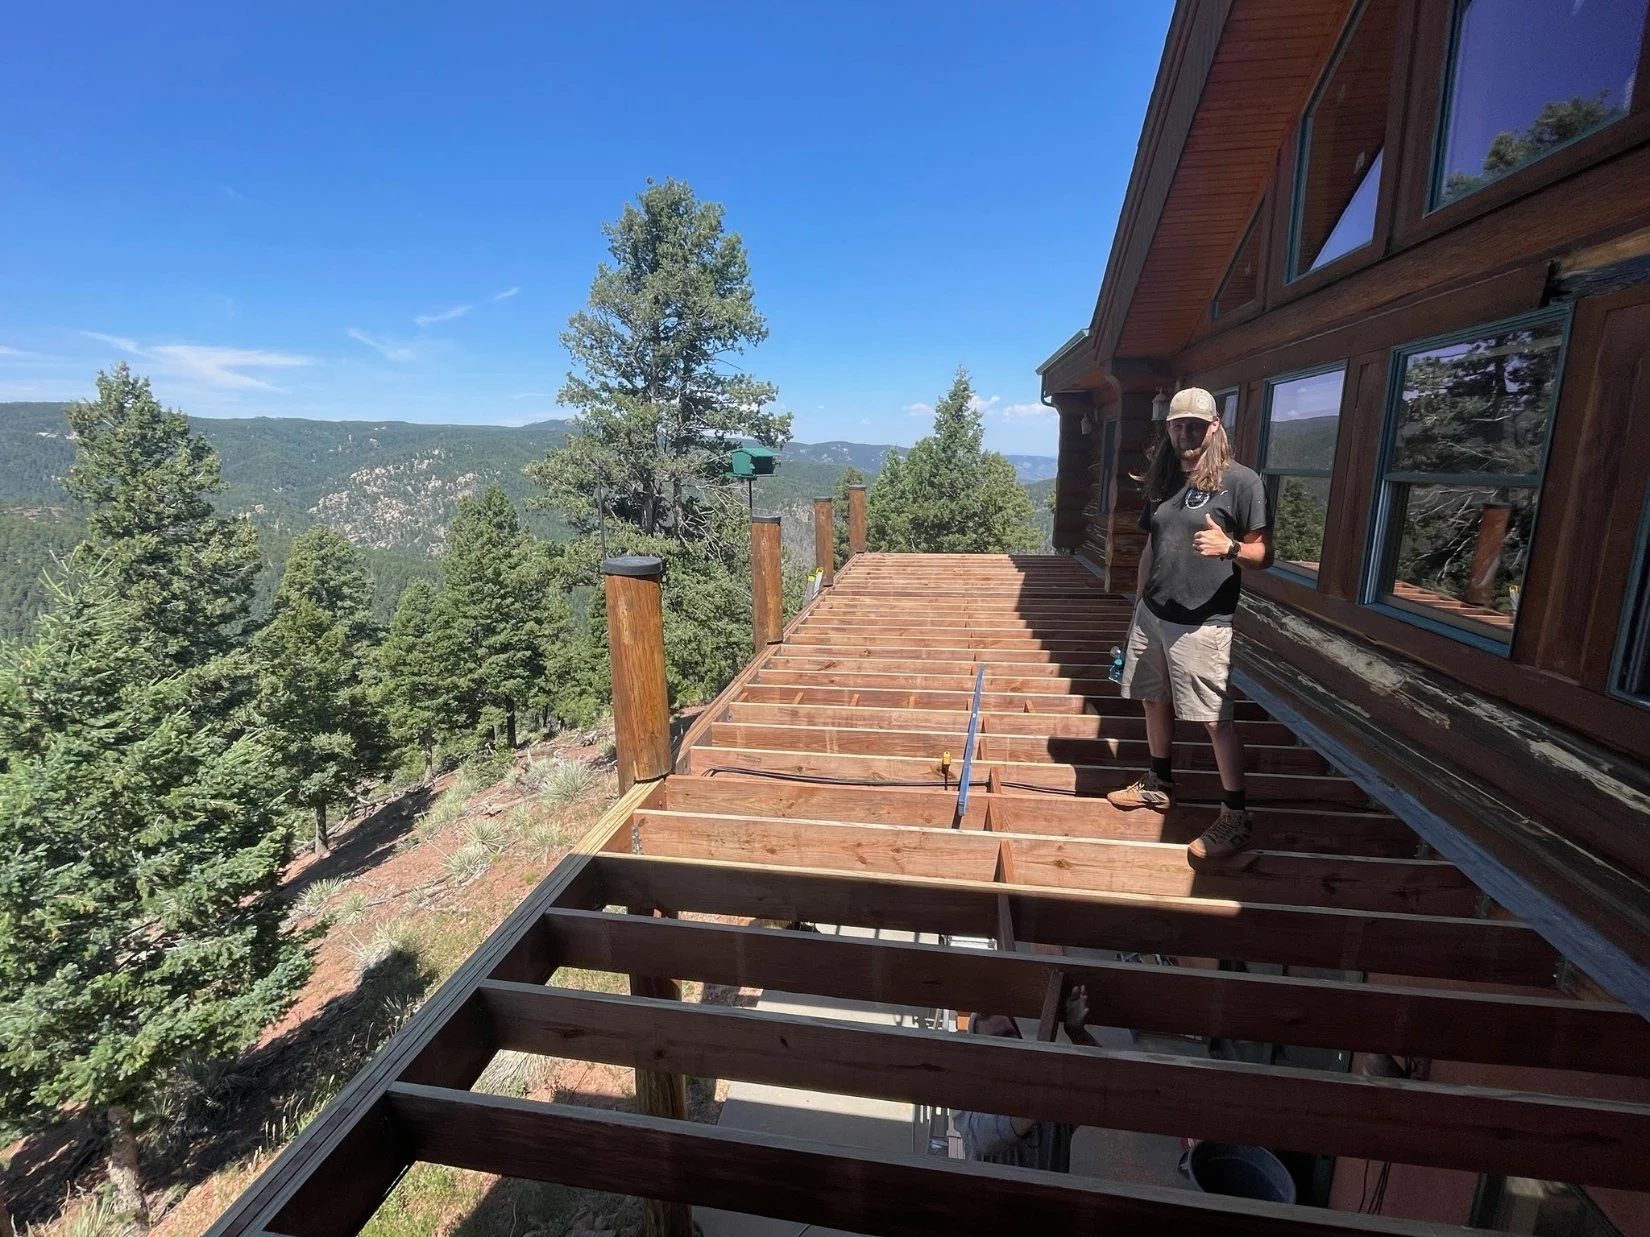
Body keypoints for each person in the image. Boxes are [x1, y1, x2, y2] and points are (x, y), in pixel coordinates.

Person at [1106, 387, 1273, 860]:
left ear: (1215, 426)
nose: (1186, 432)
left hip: (1203, 623)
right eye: (1178, 425)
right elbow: (1150, 548)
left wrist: (1232, 549)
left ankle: (1236, 816)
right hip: (1153, 615)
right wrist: (1137, 609)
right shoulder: (1164, 479)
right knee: (1152, 699)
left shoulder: (1241, 483)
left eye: (1196, 425)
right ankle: (1158, 783)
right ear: (1170, 429)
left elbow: (1264, 554)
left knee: (1213, 719)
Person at [956, 984, 1097, 1171]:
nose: (1005, 1048)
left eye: (1008, 1036)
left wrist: (1078, 1034)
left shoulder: (1051, 1088)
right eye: (992, 1043)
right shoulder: (969, 1099)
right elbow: (982, 1138)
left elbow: (1101, 1089)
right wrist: (1038, 1101)